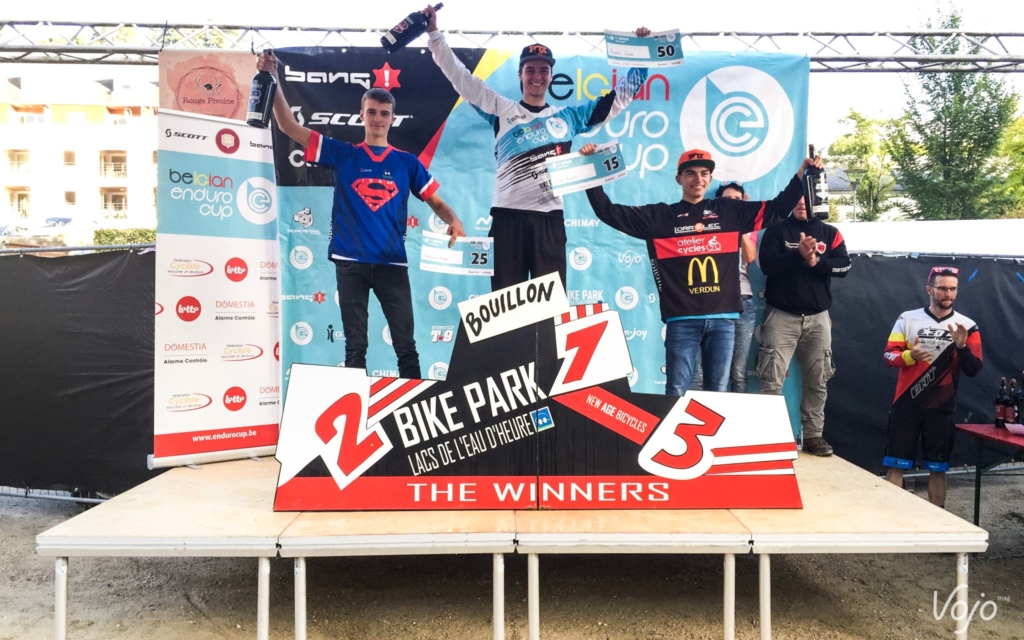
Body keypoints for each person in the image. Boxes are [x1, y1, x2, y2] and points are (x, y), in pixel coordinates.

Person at [256, 51, 465, 379]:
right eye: (372, 112)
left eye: (384, 113)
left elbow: (436, 202)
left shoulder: (407, 162)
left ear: (392, 118)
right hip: (350, 263)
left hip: (392, 264)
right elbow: (287, 126)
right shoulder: (344, 154)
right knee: (355, 347)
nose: (378, 118)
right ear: (361, 115)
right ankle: (355, 404)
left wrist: (453, 219)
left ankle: (410, 406)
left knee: (406, 346)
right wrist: (273, 78)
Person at [424, 5, 650, 290]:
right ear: (520, 74)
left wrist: (642, 59)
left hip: (549, 222)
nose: (537, 76)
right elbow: (461, 78)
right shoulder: (501, 109)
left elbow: (614, 103)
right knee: (506, 306)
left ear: (551, 76)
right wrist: (434, 34)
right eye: (530, 69)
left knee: (551, 306)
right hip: (507, 219)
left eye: (544, 70)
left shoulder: (567, 117)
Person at [579, 145, 822, 394]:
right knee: (676, 391)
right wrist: (591, 167)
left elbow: (778, 208)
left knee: (717, 392)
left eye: (704, 173)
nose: (698, 179)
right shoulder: (659, 217)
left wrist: (802, 174)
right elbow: (607, 211)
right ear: (678, 178)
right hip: (681, 320)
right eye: (691, 173)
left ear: (710, 178)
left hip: (723, 319)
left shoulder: (729, 211)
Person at [755, 196, 851, 456]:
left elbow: (844, 266)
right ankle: (767, 438)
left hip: (818, 318)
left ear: (816, 201)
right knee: (771, 380)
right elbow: (767, 265)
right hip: (781, 316)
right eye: (796, 199)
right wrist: (799, 254)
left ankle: (813, 435)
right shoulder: (776, 230)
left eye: (806, 199)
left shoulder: (830, 232)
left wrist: (816, 262)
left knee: (818, 380)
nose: (801, 204)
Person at [882, 266, 983, 507]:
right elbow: (888, 356)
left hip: (942, 405)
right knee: (895, 466)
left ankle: (938, 518)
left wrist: (961, 347)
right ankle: (889, 520)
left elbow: (974, 369)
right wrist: (910, 355)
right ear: (929, 289)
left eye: (953, 289)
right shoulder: (907, 318)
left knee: (938, 469)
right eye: (942, 288)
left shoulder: (968, 326)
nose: (948, 294)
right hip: (907, 403)